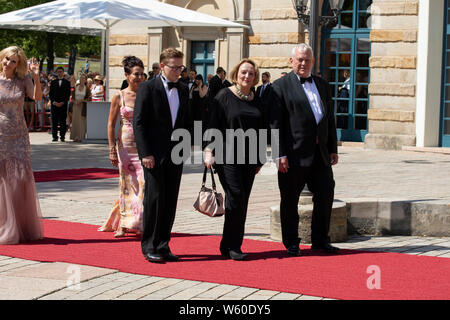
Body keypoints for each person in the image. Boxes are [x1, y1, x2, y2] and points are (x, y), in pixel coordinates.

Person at [270, 43, 339, 257]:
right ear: (291, 61)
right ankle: (291, 242)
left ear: (313, 61)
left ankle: (320, 240)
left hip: (320, 154)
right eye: (299, 59)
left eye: (307, 59)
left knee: (326, 194)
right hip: (293, 155)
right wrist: (278, 154)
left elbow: (329, 119)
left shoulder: (322, 85)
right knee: (290, 200)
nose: (303, 63)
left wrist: (332, 147)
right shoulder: (279, 86)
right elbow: (274, 123)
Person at [133, 48, 192, 263]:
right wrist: (145, 152)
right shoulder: (148, 88)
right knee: (155, 199)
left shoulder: (184, 89)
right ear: (162, 66)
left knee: (170, 200)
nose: (178, 71)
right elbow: (138, 123)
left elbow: (186, 122)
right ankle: (149, 245)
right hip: (154, 155)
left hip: (175, 154)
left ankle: (164, 244)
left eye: (180, 67)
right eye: (174, 67)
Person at [204, 59, 266, 261]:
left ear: (255, 77)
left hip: (249, 159)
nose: (246, 76)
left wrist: (260, 160)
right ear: (236, 74)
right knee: (236, 196)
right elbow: (212, 123)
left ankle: (230, 244)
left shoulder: (256, 99)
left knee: (241, 202)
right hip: (227, 156)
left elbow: (262, 130)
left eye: (250, 73)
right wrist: (208, 150)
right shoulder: (224, 96)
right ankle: (232, 245)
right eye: (243, 72)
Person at [99, 56, 146, 238]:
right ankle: (125, 223)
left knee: (143, 183)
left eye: (142, 74)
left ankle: (139, 221)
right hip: (125, 146)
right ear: (127, 75)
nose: (140, 77)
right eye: (136, 74)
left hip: (143, 145)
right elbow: (111, 124)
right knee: (127, 184)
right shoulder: (119, 96)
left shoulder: (146, 93)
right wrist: (111, 148)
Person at [0, 46, 43, 244]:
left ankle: (20, 225)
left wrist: (35, 77)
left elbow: (37, 97)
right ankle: (4, 224)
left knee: (17, 178)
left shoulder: (22, 80)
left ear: (19, 64)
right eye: (7, 59)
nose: (8, 63)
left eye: (13, 61)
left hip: (18, 134)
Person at [49, 66, 71, 142]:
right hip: (54, 104)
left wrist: (63, 102)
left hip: (63, 105)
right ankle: (54, 136)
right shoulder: (53, 82)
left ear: (63, 72)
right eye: (58, 72)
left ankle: (62, 136)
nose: (59, 73)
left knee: (62, 121)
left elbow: (68, 94)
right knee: (54, 121)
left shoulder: (67, 83)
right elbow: (50, 94)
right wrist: (53, 102)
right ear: (56, 72)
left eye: (61, 71)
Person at [70, 74, 90, 142]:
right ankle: (75, 136)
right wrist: (75, 102)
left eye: (83, 79)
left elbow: (89, 98)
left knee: (81, 121)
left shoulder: (86, 88)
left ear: (85, 80)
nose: (82, 80)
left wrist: (82, 100)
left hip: (82, 106)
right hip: (76, 106)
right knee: (75, 120)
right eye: (81, 78)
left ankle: (81, 136)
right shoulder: (76, 87)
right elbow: (72, 96)